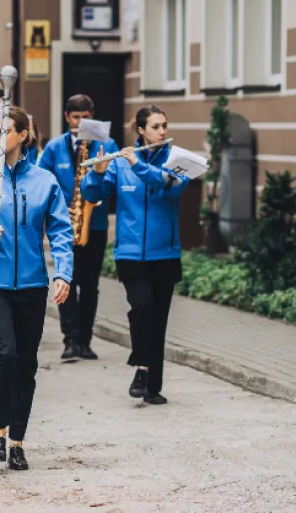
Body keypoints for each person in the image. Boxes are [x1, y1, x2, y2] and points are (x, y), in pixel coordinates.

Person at [0, 105, 73, 471]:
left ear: (23, 135)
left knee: (26, 363)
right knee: (3, 353)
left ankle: (18, 443)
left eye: (3, 131)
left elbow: (60, 232)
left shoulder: (45, 181)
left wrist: (63, 274)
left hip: (32, 285)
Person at [80, 104, 189, 405]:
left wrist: (138, 165)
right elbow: (92, 196)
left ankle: (152, 386)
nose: (163, 131)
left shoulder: (177, 159)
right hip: (130, 255)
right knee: (142, 309)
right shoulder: (119, 162)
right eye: (156, 126)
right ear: (141, 130)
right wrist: (97, 174)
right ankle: (141, 367)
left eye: (165, 125)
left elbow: (172, 187)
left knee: (159, 320)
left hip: (165, 254)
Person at [38, 94, 120, 362]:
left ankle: (85, 340)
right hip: (64, 225)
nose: (81, 122)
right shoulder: (53, 147)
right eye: (76, 117)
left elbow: (113, 180)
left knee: (91, 285)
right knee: (66, 282)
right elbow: (42, 183)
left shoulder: (106, 144)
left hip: (93, 224)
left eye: (86, 117)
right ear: (67, 118)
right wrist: (63, 207)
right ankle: (70, 339)